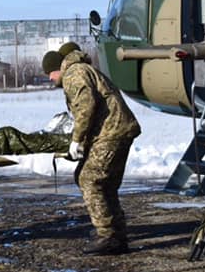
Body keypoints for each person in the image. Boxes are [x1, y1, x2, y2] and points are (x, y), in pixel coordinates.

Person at [42, 41, 141, 255]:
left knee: (88, 179)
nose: (50, 79)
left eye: (49, 73)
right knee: (106, 185)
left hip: (111, 132)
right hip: (119, 130)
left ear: (58, 69)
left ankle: (107, 235)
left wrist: (77, 140)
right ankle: (117, 236)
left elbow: (86, 107)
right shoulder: (82, 70)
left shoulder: (73, 74)